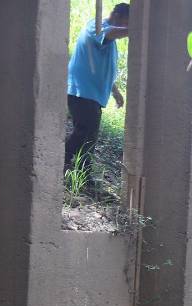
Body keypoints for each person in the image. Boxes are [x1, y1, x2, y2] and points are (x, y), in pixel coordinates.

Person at [65, 3, 130, 178]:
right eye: (126, 23)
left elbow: (103, 67)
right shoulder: (97, 26)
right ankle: (64, 166)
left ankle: (80, 173)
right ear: (116, 15)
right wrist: (137, 29)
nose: (126, 29)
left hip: (90, 94)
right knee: (84, 133)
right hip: (82, 91)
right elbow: (109, 33)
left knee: (88, 136)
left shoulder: (109, 39)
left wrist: (114, 91)